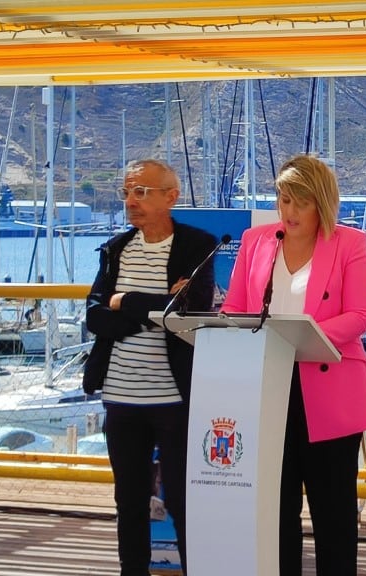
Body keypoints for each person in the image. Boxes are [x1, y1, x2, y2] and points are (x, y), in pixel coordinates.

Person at [220, 154, 366, 576]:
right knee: (274, 512)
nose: (288, 212)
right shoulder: (256, 241)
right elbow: (236, 305)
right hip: (267, 391)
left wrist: (302, 335)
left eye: (299, 202)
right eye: (283, 200)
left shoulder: (350, 242)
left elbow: (360, 314)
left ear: (321, 203)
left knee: (334, 517)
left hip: (329, 395)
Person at [82, 159, 217, 576]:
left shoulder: (197, 246)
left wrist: (125, 301)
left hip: (173, 399)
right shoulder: (117, 249)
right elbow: (94, 315)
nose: (131, 201)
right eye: (127, 192)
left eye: (141, 192)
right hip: (120, 397)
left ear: (170, 197)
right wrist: (154, 305)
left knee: (180, 498)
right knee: (130, 499)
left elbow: (191, 310)